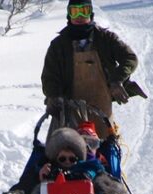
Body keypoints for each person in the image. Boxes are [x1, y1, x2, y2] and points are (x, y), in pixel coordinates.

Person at [41, 0, 144, 138]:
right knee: (66, 147)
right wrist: (54, 96)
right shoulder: (58, 45)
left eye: (84, 11)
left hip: (102, 110)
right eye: (75, 11)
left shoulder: (106, 39)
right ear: (69, 15)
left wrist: (116, 80)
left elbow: (130, 58)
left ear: (91, 13)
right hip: (69, 110)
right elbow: (49, 77)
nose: (79, 16)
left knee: (105, 146)